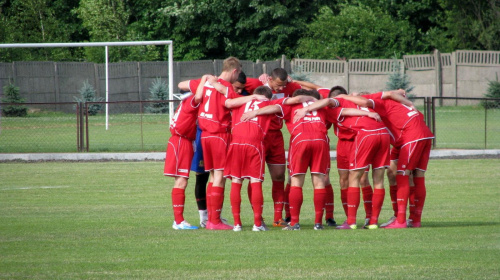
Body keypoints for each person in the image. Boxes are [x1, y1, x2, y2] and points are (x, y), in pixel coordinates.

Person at [338, 89, 434, 228]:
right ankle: (411, 219)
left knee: (402, 175)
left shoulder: (379, 102)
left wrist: (343, 96)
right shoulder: (395, 104)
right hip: (420, 136)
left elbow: (365, 101)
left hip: (411, 136)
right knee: (405, 174)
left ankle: (401, 220)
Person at [294, 92, 391, 230]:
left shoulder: (334, 105)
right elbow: (345, 110)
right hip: (369, 136)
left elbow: (330, 102)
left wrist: (305, 109)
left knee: (357, 178)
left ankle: (356, 220)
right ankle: (364, 220)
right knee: (363, 179)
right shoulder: (351, 103)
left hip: (362, 136)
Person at [178, 56, 242, 230]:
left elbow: (181, 85)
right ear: (234, 71)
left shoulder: (204, 82)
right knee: (219, 177)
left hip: (204, 135)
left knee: (213, 177)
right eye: (238, 74)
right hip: (219, 134)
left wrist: (205, 79)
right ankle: (214, 221)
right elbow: (232, 102)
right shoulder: (226, 87)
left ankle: (211, 219)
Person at [244, 68, 303, 226]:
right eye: (278, 85)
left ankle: (278, 218)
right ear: (269, 79)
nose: (281, 89)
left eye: (284, 85)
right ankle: (258, 217)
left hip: (276, 136)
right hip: (258, 136)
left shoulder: (289, 87)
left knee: (279, 176)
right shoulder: (258, 83)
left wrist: (292, 81)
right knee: (256, 178)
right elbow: (235, 82)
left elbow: (309, 91)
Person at [223, 86, 278, 231]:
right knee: (255, 181)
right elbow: (278, 107)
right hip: (254, 143)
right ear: (267, 97)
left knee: (236, 180)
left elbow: (228, 103)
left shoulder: (240, 101)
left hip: (236, 143)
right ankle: (257, 224)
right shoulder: (268, 104)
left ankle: (236, 224)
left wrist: (251, 98)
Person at [164, 76, 210, 230]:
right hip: (181, 141)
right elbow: (198, 96)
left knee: (182, 180)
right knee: (181, 181)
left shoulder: (184, 103)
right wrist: (204, 79)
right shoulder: (190, 101)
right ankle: (178, 221)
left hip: (182, 141)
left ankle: (179, 220)